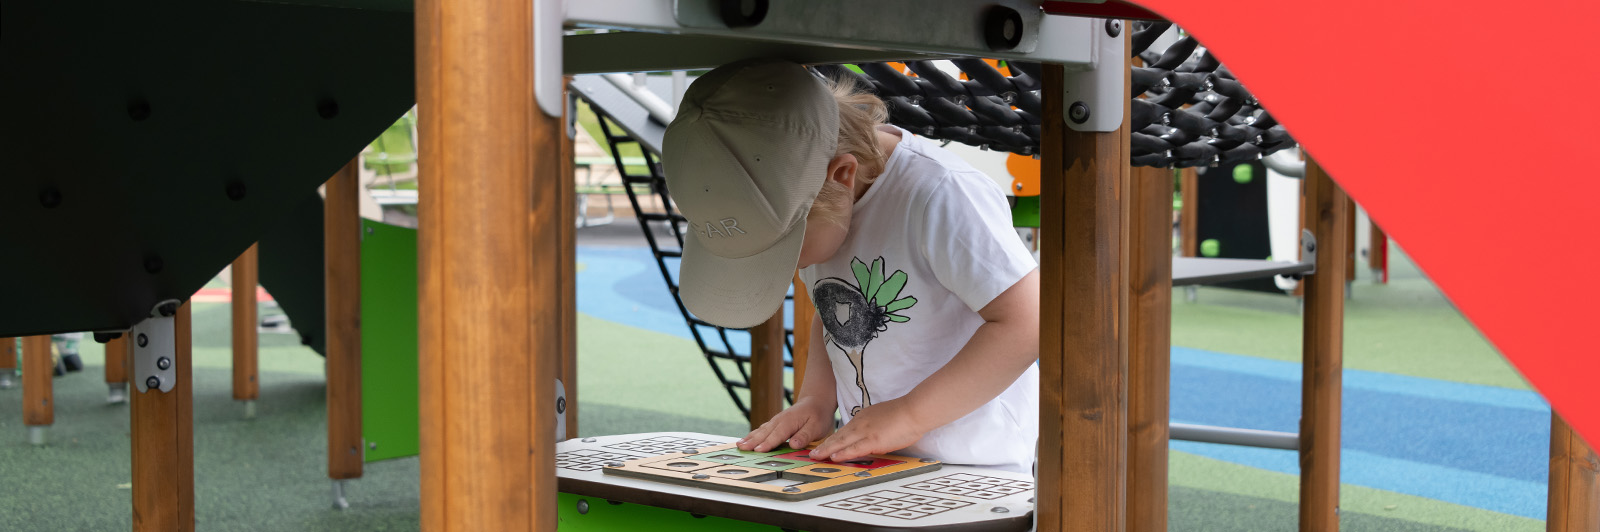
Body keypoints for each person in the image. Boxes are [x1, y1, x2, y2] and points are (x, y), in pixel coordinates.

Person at [662, 58, 1039, 474]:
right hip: (873, 463)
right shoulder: (815, 206)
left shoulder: (940, 195)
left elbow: (1028, 321)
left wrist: (911, 416)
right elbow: (831, 313)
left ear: (842, 175)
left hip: (974, 469)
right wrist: (816, 400)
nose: (786, 269)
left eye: (784, 251)